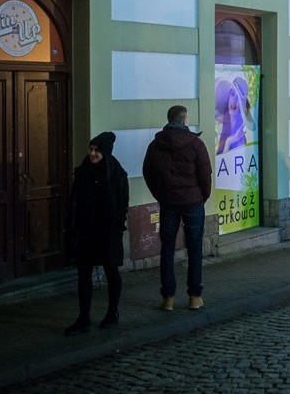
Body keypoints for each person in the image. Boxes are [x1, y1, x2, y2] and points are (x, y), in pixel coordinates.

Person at [143, 105, 213, 311]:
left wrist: (161, 195)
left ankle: (168, 299)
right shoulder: (196, 144)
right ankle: (194, 296)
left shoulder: (156, 145)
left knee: (167, 249)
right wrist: (201, 197)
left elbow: (148, 173)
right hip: (193, 203)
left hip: (168, 203)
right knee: (194, 248)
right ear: (184, 120)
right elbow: (205, 175)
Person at [65, 132, 130, 336]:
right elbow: (75, 200)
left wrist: (118, 226)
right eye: (91, 149)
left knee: (111, 271)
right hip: (86, 231)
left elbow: (122, 204)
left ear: (105, 153)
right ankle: (84, 318)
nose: (93, 154)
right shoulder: (83, 172)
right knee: (83, 273)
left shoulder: (116, 174)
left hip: (108, 231)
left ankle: (112, 312)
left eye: (97, 151)